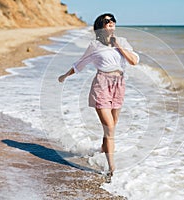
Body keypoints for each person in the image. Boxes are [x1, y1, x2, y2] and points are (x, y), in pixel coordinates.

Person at [58, 13, 139, 180]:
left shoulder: (122, 41)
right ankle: (112, 169)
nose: (111, 23)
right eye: (107, 21)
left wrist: (118, 46)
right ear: (100, 26)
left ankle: (102, 150)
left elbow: (134, 61)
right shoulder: (94, 46)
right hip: (101, 84)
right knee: (109, 128)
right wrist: (65, 76)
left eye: (112, 21)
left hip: (119, 85)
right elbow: (79, 64)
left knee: (111, 127)